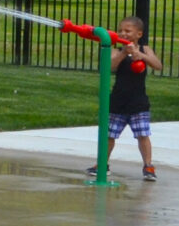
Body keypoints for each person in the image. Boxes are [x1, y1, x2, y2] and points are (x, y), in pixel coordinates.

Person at [63, 15, 160, 182]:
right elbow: (109, 66)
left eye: (128, 31)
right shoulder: (115, 50)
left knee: (143, 135)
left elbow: (158, 65)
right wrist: (124, 52)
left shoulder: (145, 49)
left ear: (139, 34)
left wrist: (140, 56)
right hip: (117, 102)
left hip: (139, 103)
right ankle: (102, 164)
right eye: (120, 30)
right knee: (109, 136)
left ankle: (148, 166)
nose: (123, 33)